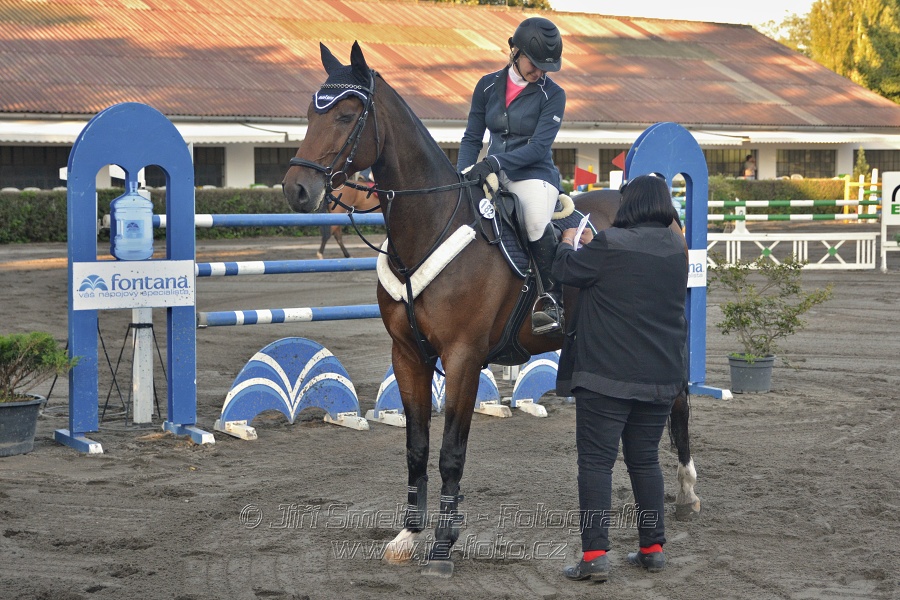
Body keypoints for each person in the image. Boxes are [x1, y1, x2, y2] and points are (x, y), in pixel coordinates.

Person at [552, 174, 688, 582]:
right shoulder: (676, 249)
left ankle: (594, 555)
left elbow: (565, 270)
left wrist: (568, 238)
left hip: (605, 377)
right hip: (662, 375)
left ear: (630, 204)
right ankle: (652, 548)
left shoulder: (609, 244)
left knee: (595, 464)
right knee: (645, 461)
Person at [456, 16, 566, 335]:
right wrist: (464, 173)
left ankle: (553, 300)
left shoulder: (553, 95)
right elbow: (472, 137)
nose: (541, 71)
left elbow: (537, 147)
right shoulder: (487, 85)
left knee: (533, 220)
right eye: (535, 63)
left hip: (534, 174)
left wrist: (494, 165)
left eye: (547, 66)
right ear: (515, 52)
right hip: (493, 171)